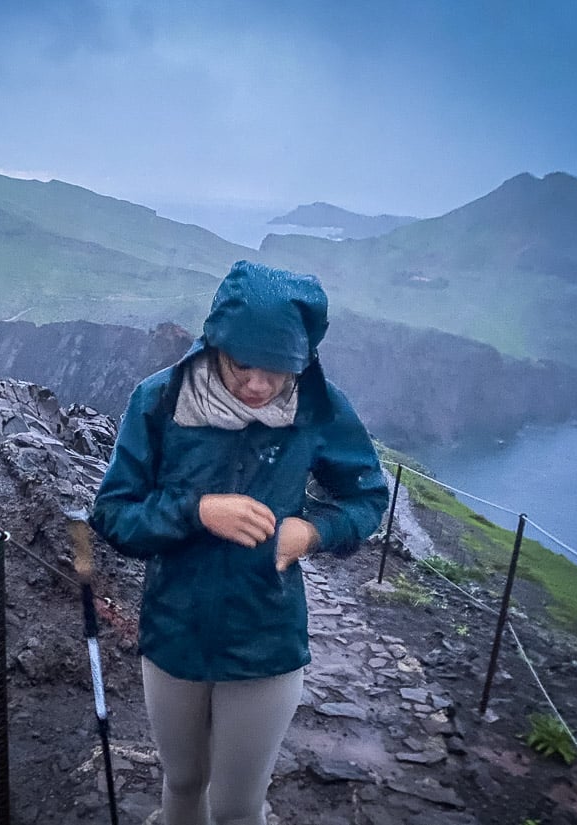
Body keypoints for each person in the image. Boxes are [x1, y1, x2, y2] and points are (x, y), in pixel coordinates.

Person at [89, 260, 389, 825]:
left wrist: (313, 530)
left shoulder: (319, 409)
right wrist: (197, 510)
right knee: (181, 783)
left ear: (302, 360)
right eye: (241, 364)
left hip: (266, 641)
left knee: (235, 806)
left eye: (277, 370)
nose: (257, 384)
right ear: (214, 342)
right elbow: (113, 514)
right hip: (174, 631)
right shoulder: (159, 402)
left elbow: (367, 499)